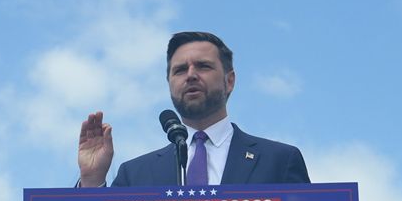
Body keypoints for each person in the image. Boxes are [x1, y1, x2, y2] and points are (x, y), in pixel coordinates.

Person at [77, 31, 310, 187]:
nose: (190, 75)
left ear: (229, 81)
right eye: (179, 70)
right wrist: (92, 179)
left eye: (203, 66)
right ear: (169, 84)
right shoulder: (136, 175)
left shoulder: (279, 161)